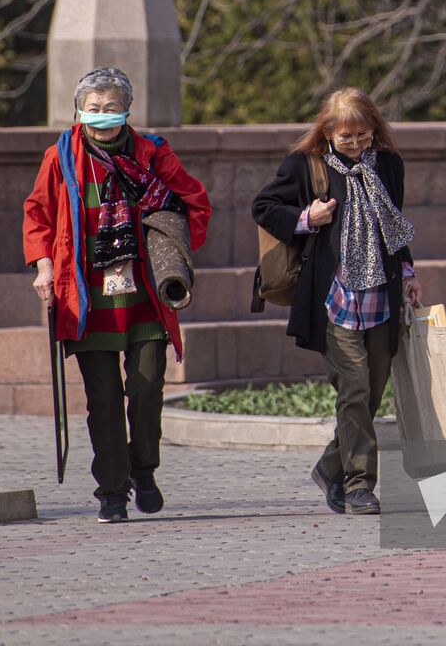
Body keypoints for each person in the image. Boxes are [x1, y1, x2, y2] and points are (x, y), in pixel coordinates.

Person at [23, 68, 211, 522]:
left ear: (127, 109)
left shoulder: (152, 154)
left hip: (145, 294)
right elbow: (38, 213)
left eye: (110, 107)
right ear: (78, 109)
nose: (101, 115)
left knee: (146, 391)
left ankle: (142, 470)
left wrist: (174, 250)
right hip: (86, 297)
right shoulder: (61, 156)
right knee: (103, 400)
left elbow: (194, 203)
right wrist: (44, 265)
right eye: (93, 107)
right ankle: (111, 491)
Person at [252, 87, 422, 515]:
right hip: (334, 297)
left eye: (363, 136)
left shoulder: (388, 165)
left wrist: (408, 273)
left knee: (372, 393)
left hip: (381, 291)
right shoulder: (304, 166)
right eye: (347, 137)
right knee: (354, 388)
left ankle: (331, 465)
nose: (355, 145)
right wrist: (307, 218)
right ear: (327, 130)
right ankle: (359, 484)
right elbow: (264, 206)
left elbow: (393, 224)